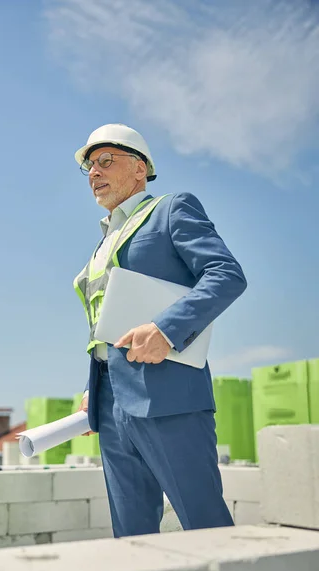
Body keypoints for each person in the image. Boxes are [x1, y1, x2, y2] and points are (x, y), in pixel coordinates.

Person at [73, 123, 247, 538]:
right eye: (89, 167)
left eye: (105, 161)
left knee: (205, 524)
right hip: (110, 399)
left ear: (140, 168)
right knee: (131, 534)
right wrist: (92, 386)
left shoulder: (171, 209)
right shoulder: (101, 243)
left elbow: (225, 274)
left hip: (167, 394)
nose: (94, 173)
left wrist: (166, 329)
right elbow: (104, 324)